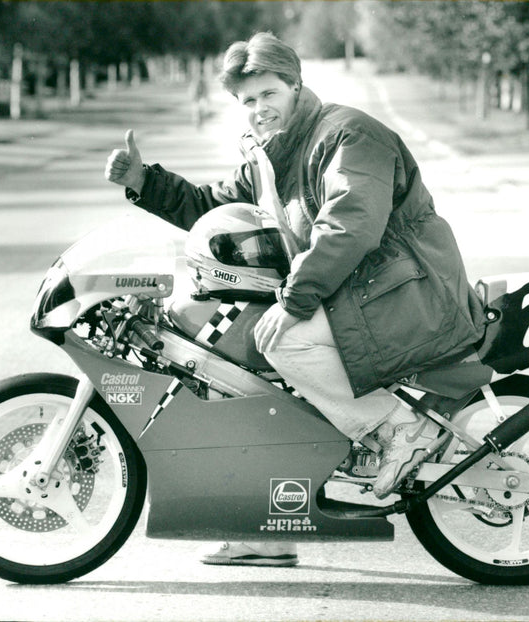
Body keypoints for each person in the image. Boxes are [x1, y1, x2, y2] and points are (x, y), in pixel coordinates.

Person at [105, 32, 485, 567]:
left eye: (267, 94)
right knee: (233, 351)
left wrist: (295, 301)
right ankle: (268, 528)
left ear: (295, 84)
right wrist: (143, 181)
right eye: (247, 101)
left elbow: (348, 227)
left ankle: (401, 430)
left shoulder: (348, 135)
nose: (258, 109)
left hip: (409, 293)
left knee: (282, 338)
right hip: (361, 293)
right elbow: (212, 206)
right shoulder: (273, 157)